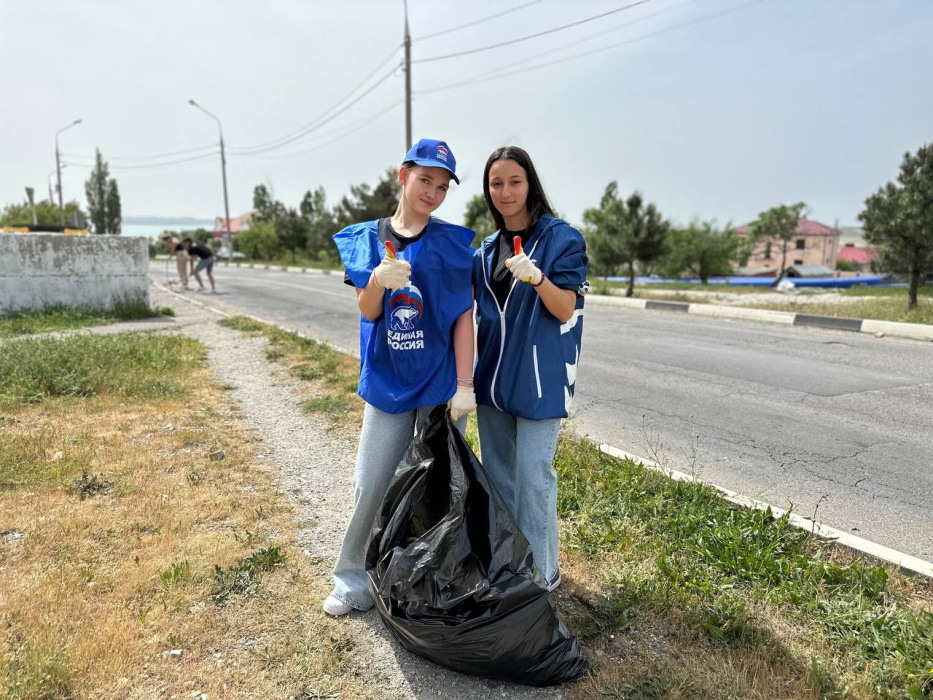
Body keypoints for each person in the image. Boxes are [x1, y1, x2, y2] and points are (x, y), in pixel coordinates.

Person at [325, 138, 476, 616]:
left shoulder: (452, 245)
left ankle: (434, 582)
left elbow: (462, 317)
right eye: (424, 179)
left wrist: (465, 385)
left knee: (441, 489)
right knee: (372, 483)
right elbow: (368, 311)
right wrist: (377, 280)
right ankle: (352, 579)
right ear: (403, 175)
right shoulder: (368, 238)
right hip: (388, 384)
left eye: (442, 186)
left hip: (438, 385)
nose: (432, 192)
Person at [472, 146, 588, 592]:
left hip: (540, 382)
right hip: (493, 383)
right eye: (495, 183)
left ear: (530, 184)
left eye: (514, 181)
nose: (505, 191)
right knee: (499, 477)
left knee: (534, 477)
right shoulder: (485, 251)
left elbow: (565, 311)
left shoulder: (561, 239)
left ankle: (542, 575)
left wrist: (539, 278)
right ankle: (510, 568)